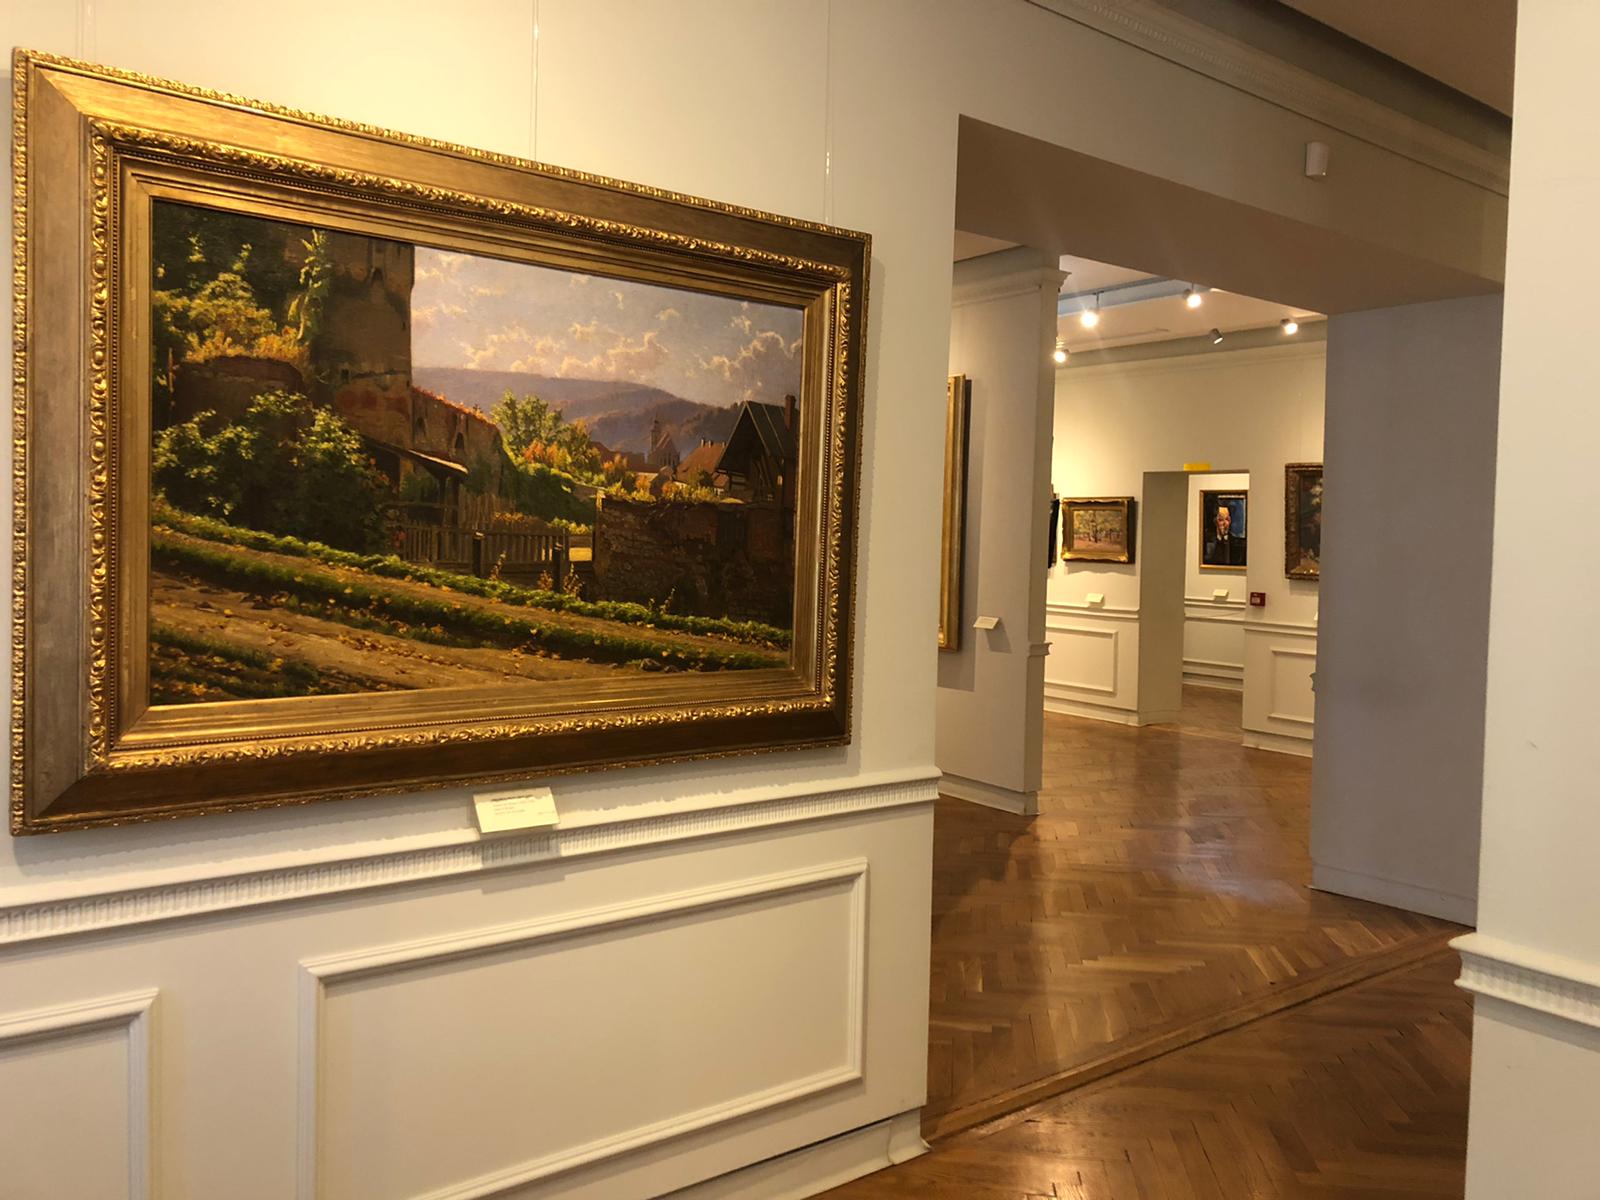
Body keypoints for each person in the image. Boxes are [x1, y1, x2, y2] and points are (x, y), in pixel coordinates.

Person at [1204, 499, 1246, 566]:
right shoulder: (1206, 542)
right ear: (1215, 521)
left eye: (1227, 519)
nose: (1225, 523)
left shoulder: (1238, 544)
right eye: (1221, 520)